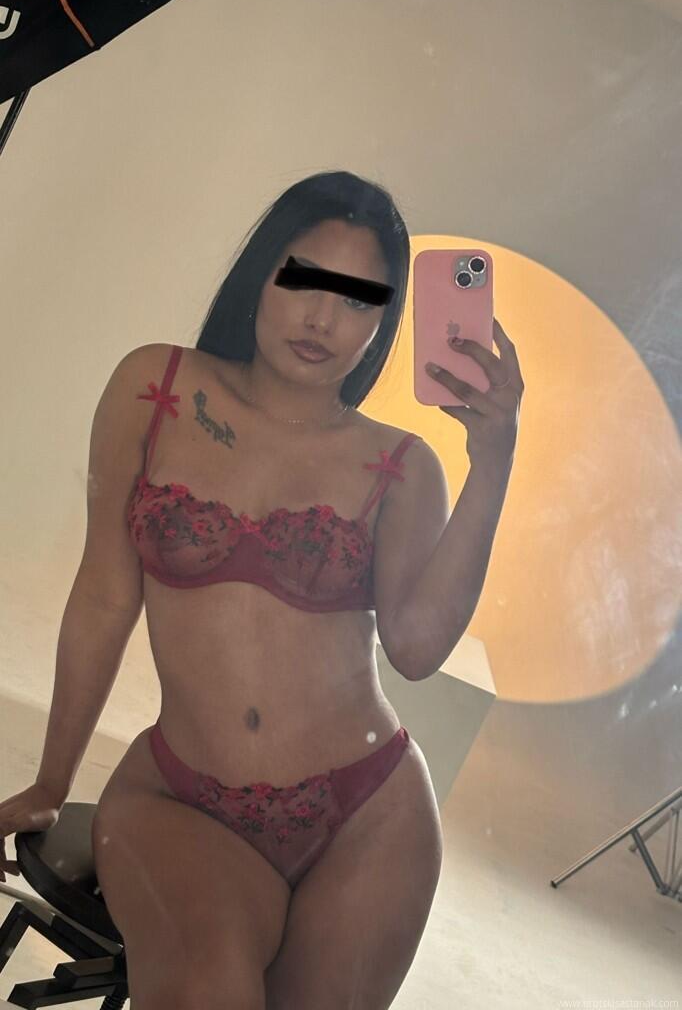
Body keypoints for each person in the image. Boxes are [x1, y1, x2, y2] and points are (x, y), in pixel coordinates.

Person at [0, 170, 446, 1010]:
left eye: (358, 299)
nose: (322, 318)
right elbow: (104, 596)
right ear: (261, 271)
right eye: (304, 279)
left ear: (382, 321)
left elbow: (418, 650)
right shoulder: (157, 389)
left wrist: (496, 456)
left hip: (371, 814)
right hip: (181, 797)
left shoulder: (401, 464)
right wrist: (51, 781)